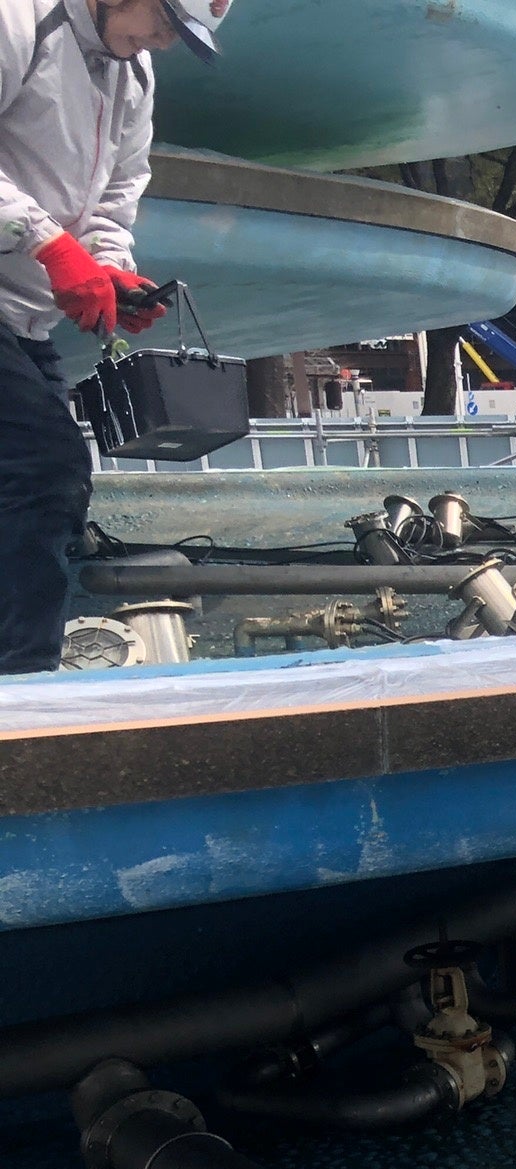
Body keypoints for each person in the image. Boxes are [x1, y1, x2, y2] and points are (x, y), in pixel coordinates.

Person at [1, 0, 225, 676]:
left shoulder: (136, 77)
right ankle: (21, 683)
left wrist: (110, 268)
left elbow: (116, 194)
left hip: (21, 313)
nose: (163, 39)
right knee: (44, 469)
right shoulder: (19, 22)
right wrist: (47, 244)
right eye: (163, 20)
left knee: (53, 479)